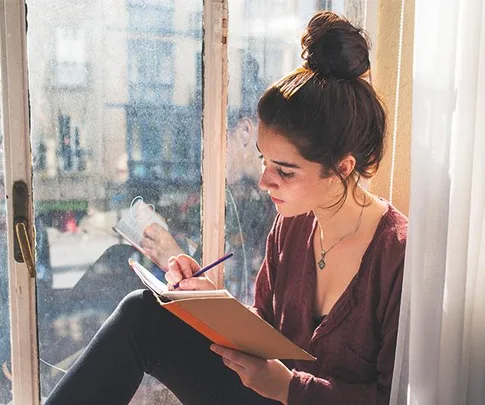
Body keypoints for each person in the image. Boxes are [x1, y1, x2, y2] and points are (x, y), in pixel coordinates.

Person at [45, 11, 407, 405]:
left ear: (343, 167)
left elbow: (393, 397)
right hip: (263, 396)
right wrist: (208, 306)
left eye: (285, 171)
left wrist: (287, 387)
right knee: (143, 313)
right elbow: (266, 333)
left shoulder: (397, 255)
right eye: (263, 161)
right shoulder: (292, 228)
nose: (265, 181)